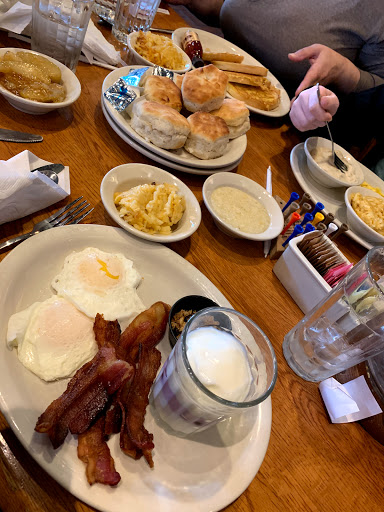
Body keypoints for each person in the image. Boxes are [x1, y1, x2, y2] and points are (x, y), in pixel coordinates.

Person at [166, 0, 384, 139]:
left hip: (272, 129)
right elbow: (233, 10)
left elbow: (375, 105)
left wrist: (345, 72)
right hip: (197, 78)